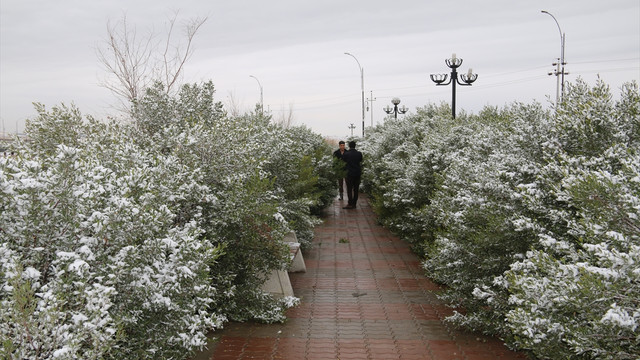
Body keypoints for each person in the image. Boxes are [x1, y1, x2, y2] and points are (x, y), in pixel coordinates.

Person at [342, 140, 363, 209]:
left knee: (349, 189)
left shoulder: (346, 154)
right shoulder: (359, 153)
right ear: (355, 146)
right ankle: (354, 204)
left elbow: (343, 162)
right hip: (357, 173)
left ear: (349, 146)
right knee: (356, 189)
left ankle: (350, 203)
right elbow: (360, 160)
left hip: (349, 174)